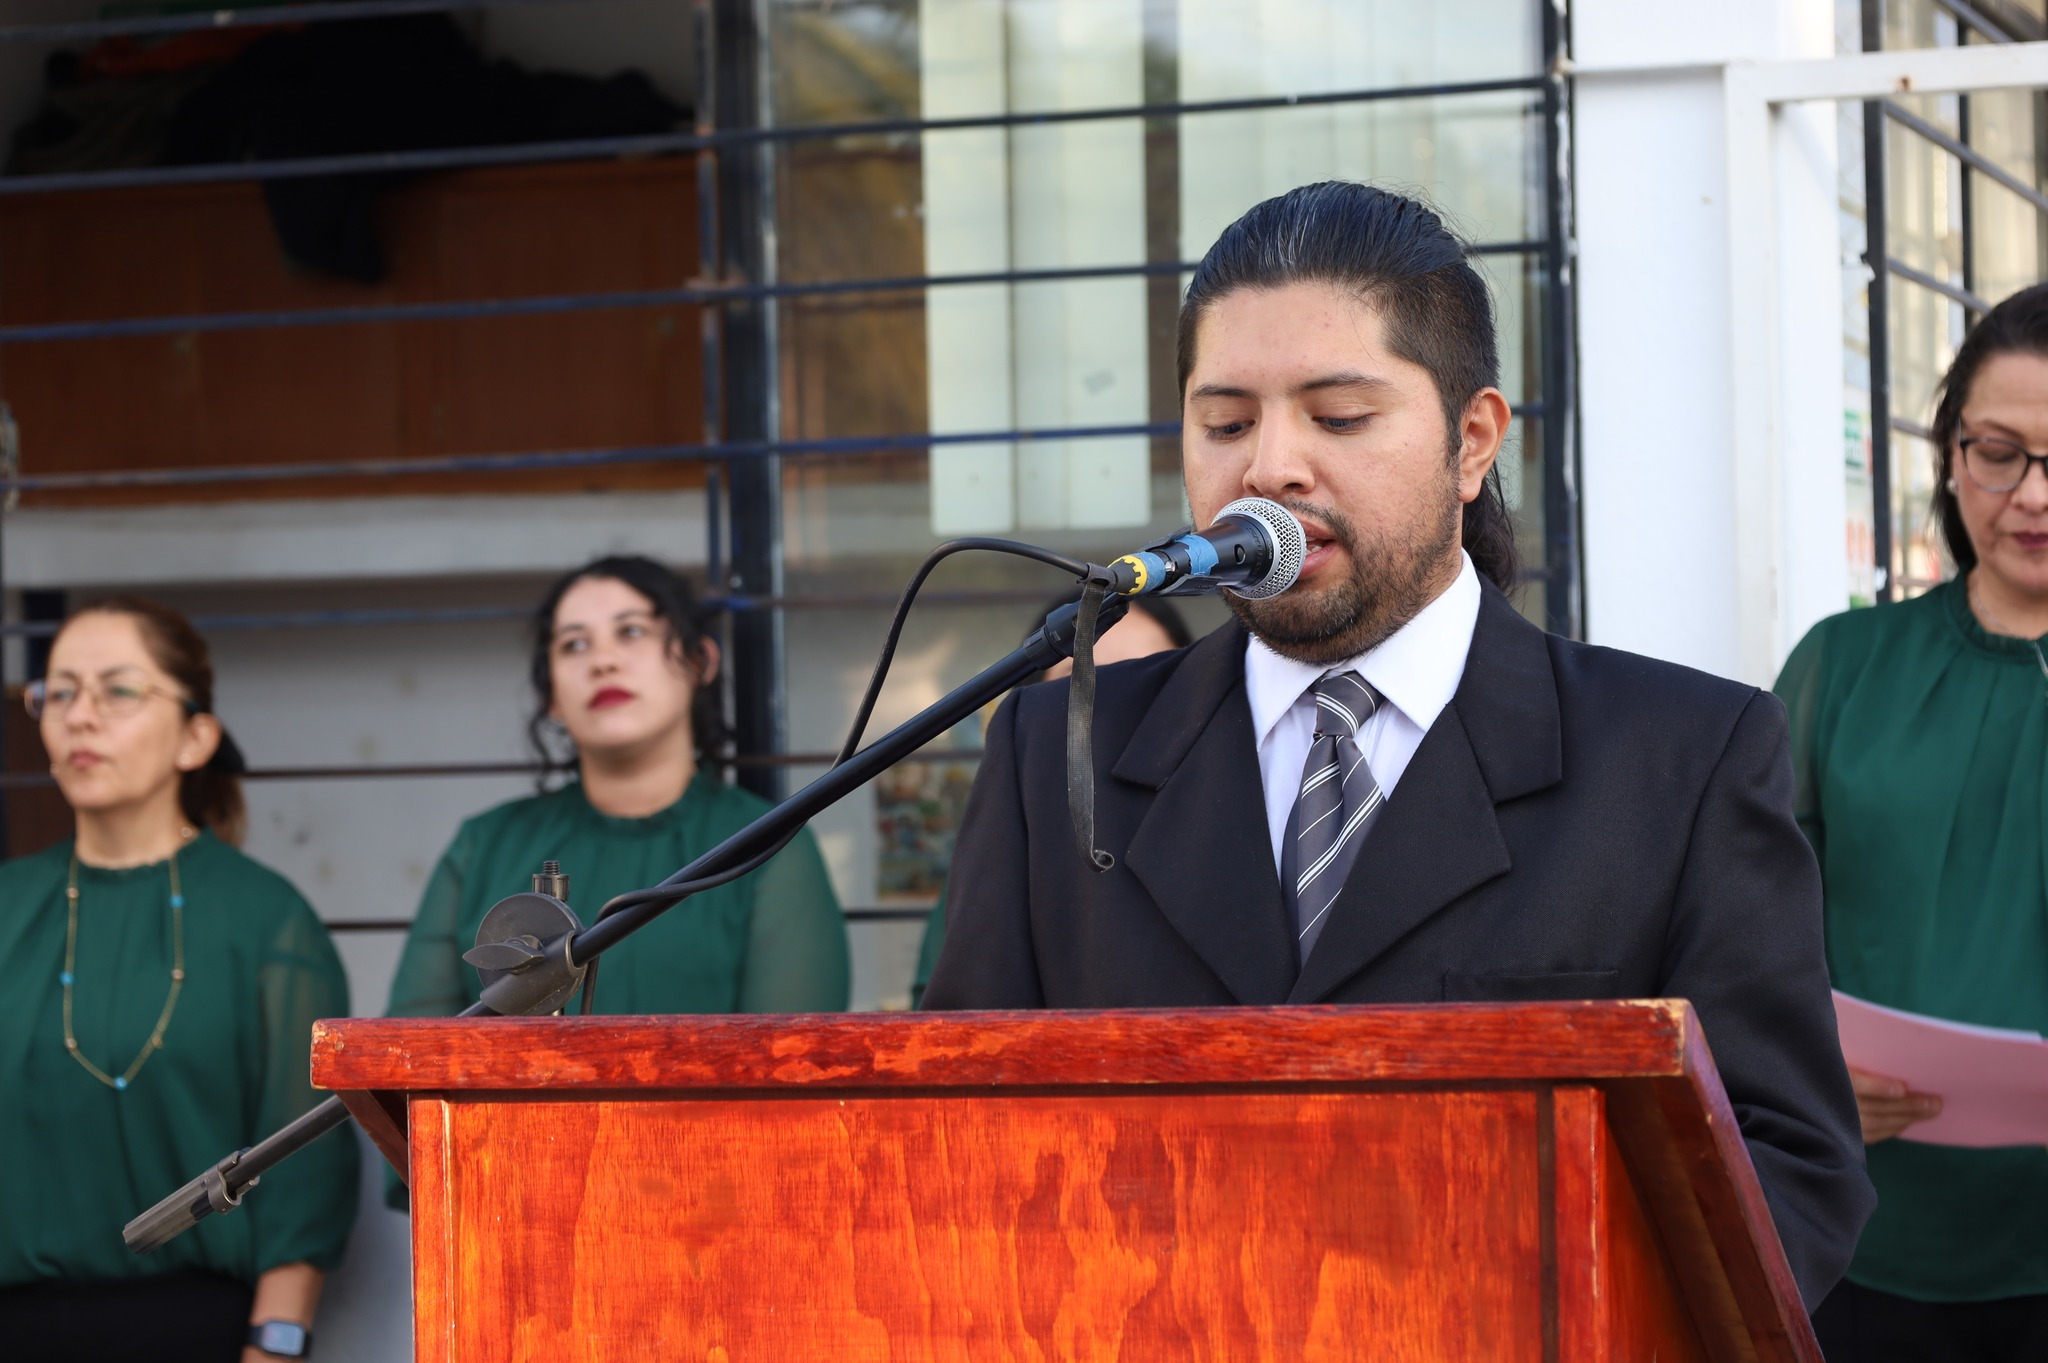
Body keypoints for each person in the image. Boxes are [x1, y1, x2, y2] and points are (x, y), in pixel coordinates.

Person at [922, 181, 1873, 1307]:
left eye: (1337, 417)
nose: (1268, 467)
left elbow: (1785, 1169)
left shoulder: (1685, 757)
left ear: (1471, 443)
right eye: (1224, 424)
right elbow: (949, 1136)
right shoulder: (1051, 752)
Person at [1782, 285, 2048, 1359]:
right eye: (2000, 453)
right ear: (1949, 457)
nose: (2032, 495)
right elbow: (1737, 915)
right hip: (1865, 1230)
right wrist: (1798, 1062)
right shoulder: (1840, 667)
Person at [0, 598, 357, 1363]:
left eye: (117, 690)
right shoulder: (8, 906)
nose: (80, 716)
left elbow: (306, 1174)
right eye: (59, 691)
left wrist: (276, 1345)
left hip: (196, 1333)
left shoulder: (267, 918)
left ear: (196, 736)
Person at [387, 555, 849, 1025]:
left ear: (699, 660)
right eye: (574, 644)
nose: (603, 661)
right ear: (551, 696)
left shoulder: (771, 847)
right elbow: (407, 1051)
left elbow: (793, 1056)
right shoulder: (481, 848)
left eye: (631, 631)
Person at [908, 594, 1194, 1005]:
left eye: (1145, 676)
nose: (1111, 704)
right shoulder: (1009, 850)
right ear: (1034, 700)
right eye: (1078, 679)